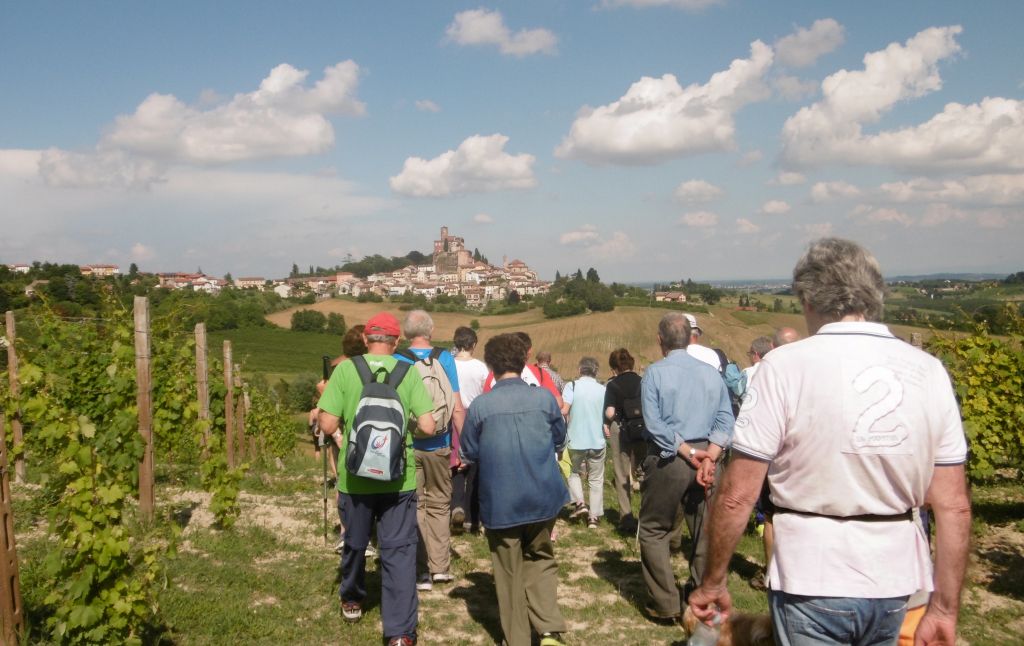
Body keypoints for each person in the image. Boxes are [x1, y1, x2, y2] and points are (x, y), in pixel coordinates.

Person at [689, 238, 971, 646]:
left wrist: (713, 582)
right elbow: (954, 505)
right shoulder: (928, 371)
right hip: (896, 579)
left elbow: (737, 495)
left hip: (812, 573)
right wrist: (944, 608)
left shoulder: (783, 367)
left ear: (807, 299)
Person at [318, 312, 436, 646]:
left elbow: (327, 426)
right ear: (396, 341)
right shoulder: (408, 372)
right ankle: (399, 634)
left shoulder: (345, 371)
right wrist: (406, 428)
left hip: (355, 478)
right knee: (398, 551)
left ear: (367, 339)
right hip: (399, 478)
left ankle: (353, 597)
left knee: (355, 541)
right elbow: (427, 426)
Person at [459, 333, 569, 646]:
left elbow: (469, 452)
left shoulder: (480, 406)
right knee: (541, 558)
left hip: (501, 499)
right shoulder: (545, 399)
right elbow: (560, 439)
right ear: (523, 363)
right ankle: (548, 629)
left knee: (508, 572)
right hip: (543, 495)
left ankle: (518, 639)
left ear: (491, 366)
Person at [639, 312, 734, 620]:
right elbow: (726, 418)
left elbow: (654, 423)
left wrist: (687, 449)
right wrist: (712, 453)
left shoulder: (654, 373)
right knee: (706, 531)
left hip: (672, 457)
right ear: (691, 337)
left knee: (654, 529)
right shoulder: (711, 373)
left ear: (660, 340)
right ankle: (702, 595)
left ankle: (665, 602)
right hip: (709, 457)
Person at [394, 310, 466, 592]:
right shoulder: (444, 358)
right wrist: (462, 444)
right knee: (439, 504)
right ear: (431, 331)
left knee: (416, 506)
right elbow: (456, 405)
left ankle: (420, 570)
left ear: (407, 333)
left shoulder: (398, 359)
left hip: (409, 444)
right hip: (439, 444)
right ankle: (440, 568)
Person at [309, 324, 368, 553]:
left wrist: (324, 395)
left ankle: (346, 531)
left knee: (342, 479)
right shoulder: (369, 368)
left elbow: (329, 409)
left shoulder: (338, 368)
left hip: (340, 432)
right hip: (362, 433)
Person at [562, 357, 608, 529]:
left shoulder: (571, 386)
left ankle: (580, 502)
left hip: (575, 439)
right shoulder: (602, 389)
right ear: (595, 371)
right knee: (596, 478)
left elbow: (565, 410)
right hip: (597, 440)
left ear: (580, 370)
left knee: (572, 472)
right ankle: (594, 518)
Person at [451, 325, 488, 535]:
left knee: (455, 465)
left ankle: (456, 504)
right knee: (474, 468)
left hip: (452, 417)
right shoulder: (481, 368)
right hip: (474, 418)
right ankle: (473, 519)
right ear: (473, 344)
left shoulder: (448, 365)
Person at [603, 347, 645, 533]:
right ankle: (648, 515)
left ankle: (626, 518)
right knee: (644, 472)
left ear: (614, 367)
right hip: (642, 430)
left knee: (621, 474)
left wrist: (607, 420)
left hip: (620, 429)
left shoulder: (612, 385)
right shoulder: (643, 382)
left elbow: (610, 412)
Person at [483, 332, 567, 414]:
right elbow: (558, 402)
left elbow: (485, 405)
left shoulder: (494, 374)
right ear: (529, 351)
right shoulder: (539, 372)